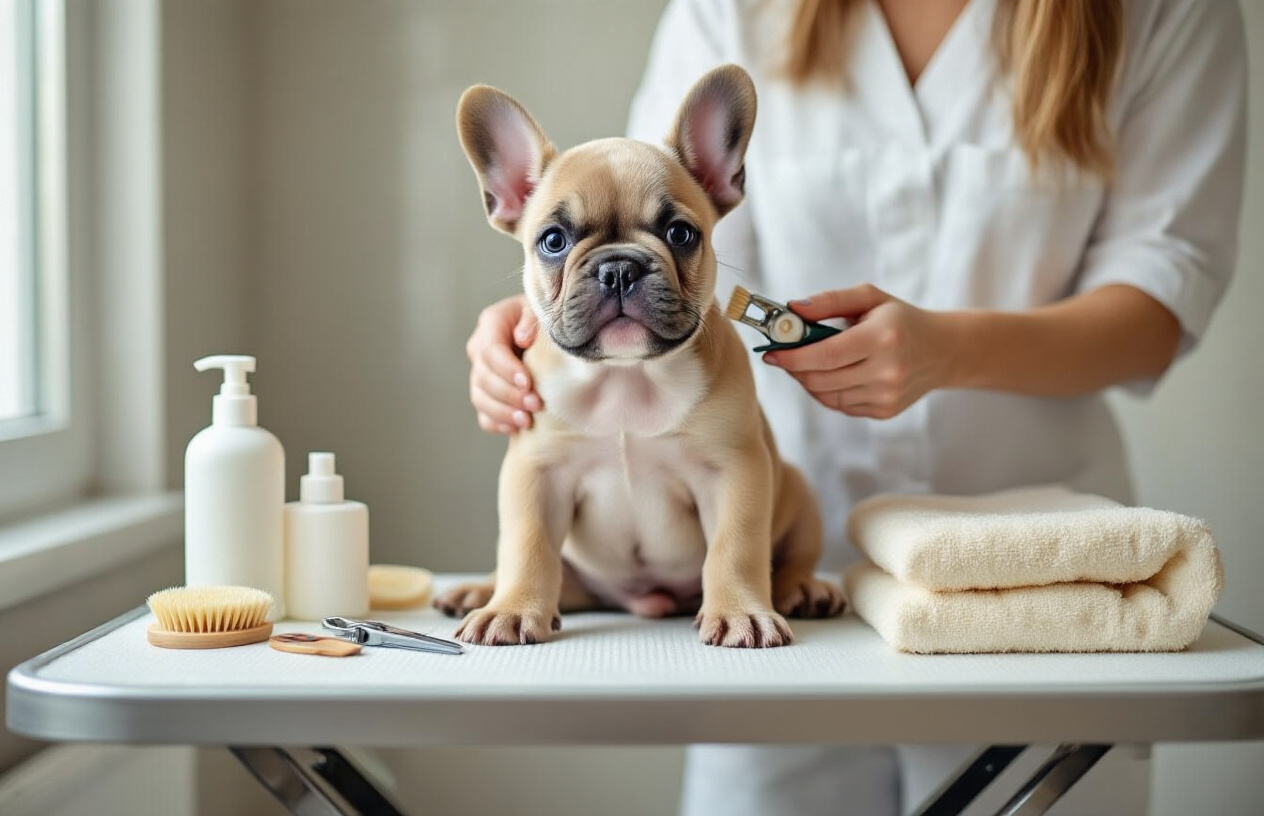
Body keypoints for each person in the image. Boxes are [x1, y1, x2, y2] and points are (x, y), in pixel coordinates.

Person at [462, 0, 1247, 813]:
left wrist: (953, 349)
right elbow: (629, 198)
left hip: (1030, 573)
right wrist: (540, 322)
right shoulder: (731, 10)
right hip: (780, 608)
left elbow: (1167, 284)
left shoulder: (1164, 13)